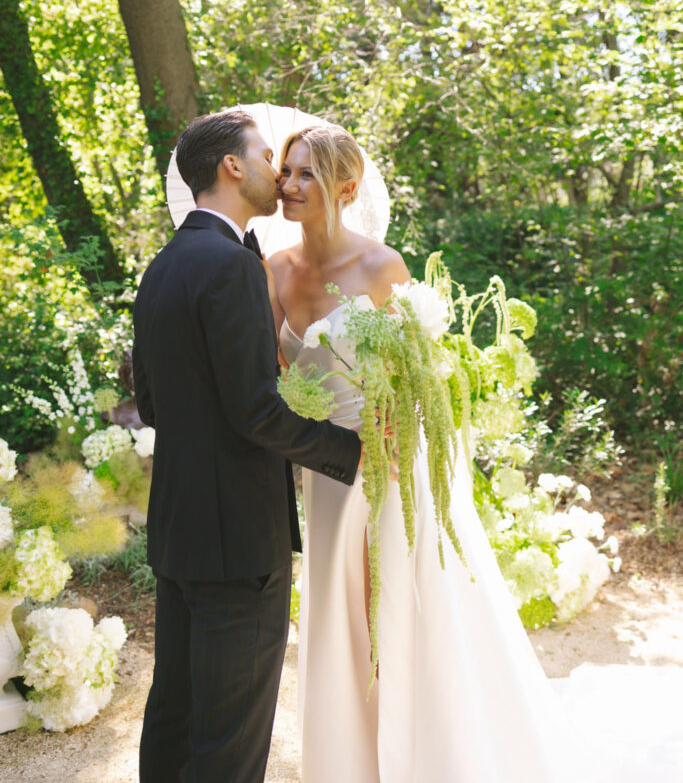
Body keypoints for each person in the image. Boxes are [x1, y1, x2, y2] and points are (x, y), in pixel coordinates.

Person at [269, 124, 683, 783]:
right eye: (286, 171)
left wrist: (389, 415)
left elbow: (417, 374)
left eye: (305, 175)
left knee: (402, 608)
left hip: (390, 464)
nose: (288, 186)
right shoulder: (272, 271)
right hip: (321, 472)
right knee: (336, 616)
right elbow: (268, 379)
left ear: (346, 188)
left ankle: (429, 754)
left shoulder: (381, 267)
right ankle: (346, 764)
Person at [132, 110, 361, 783]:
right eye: (265, 156)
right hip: (237, 545)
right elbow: (256, 410)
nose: (275, 170)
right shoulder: (231, 266)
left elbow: (153, 402)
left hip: (178, 535)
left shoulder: (165, 265)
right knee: (229, 743)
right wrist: (351, 455)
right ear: (232, 166)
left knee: (174, 716)